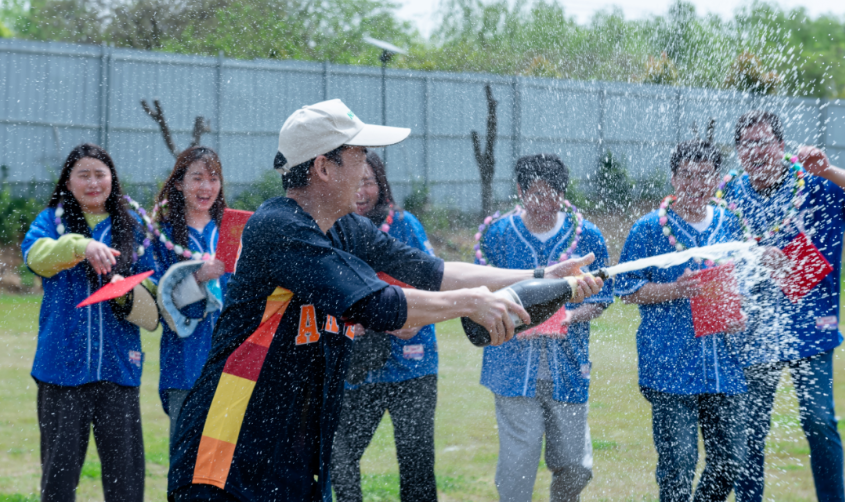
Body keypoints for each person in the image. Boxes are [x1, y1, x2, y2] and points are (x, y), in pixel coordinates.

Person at [166, 99, 604, 502]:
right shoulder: (280, 228)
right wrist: (471, 303)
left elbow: (432, 271)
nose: (366, 170)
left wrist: (540, 275)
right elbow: (377, 304)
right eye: (359, 155)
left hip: (294, 446)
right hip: (228, 448)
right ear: (323, 167)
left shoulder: (343, 227)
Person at [21, 143, 156, 502]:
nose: (93, 182)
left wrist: (129, 292)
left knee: (126, 482)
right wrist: (80, 247)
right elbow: (35, 257)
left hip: (119, 367)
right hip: (61, 369)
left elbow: (154, 288)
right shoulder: (50, 221)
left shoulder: (134, 226)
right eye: (84, 175)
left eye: (100, 174)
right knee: (58, 480)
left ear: (113, 179)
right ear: (68, 182)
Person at [615, 140, 747, 502]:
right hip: (670, 366)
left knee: (730, 461)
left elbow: (740, 280)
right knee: (679, 464)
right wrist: (675, 289)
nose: (695, 184)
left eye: (704, 175)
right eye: (687, 175)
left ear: (717, 180)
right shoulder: (648, 229)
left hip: (724, 365)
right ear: (673, 179)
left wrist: (739, 312)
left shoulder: (730, 223)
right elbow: (626, 289)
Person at [478, 154, 613, 502]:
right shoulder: (499, 235)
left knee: (575, 465)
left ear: (563, 194)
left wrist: (571, 316)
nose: (545, 204)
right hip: (511, 368)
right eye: (536, 194)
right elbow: (480, 291)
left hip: (567, 366)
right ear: (521, 191)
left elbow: (602, 298)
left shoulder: (586, 236)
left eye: (553, 195)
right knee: (518, 466)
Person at [726, 110, 845, 502]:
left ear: (781, 145)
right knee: (749, 429)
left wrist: (830, 171)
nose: (755, 151)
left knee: (819, 422)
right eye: (746, 144)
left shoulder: (814, 183)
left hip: (812, 326)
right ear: (738, 152)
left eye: (763, 142)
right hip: (753, 329)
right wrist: (755, 256)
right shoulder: (729, 195)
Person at [331, 151, 440, 502]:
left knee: (416, 464)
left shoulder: (404, 224)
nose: (360, 192)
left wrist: (409, 320)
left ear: (381, 184)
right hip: (358, 367)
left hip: (412, 366)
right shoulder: (333, 228)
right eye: (354, 182)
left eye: (368, 182)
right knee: (339, 456)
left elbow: (433, 280)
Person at [152, 146, 230, 444]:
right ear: (178, 183)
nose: (206, 187)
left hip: (230, 365)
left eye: (213, 179)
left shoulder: (232, 232)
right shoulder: (162, 236)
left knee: (226, 457)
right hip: (184, 364)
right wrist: (197, 278)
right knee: (185, 455)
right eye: (197, 178)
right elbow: (161, 301)